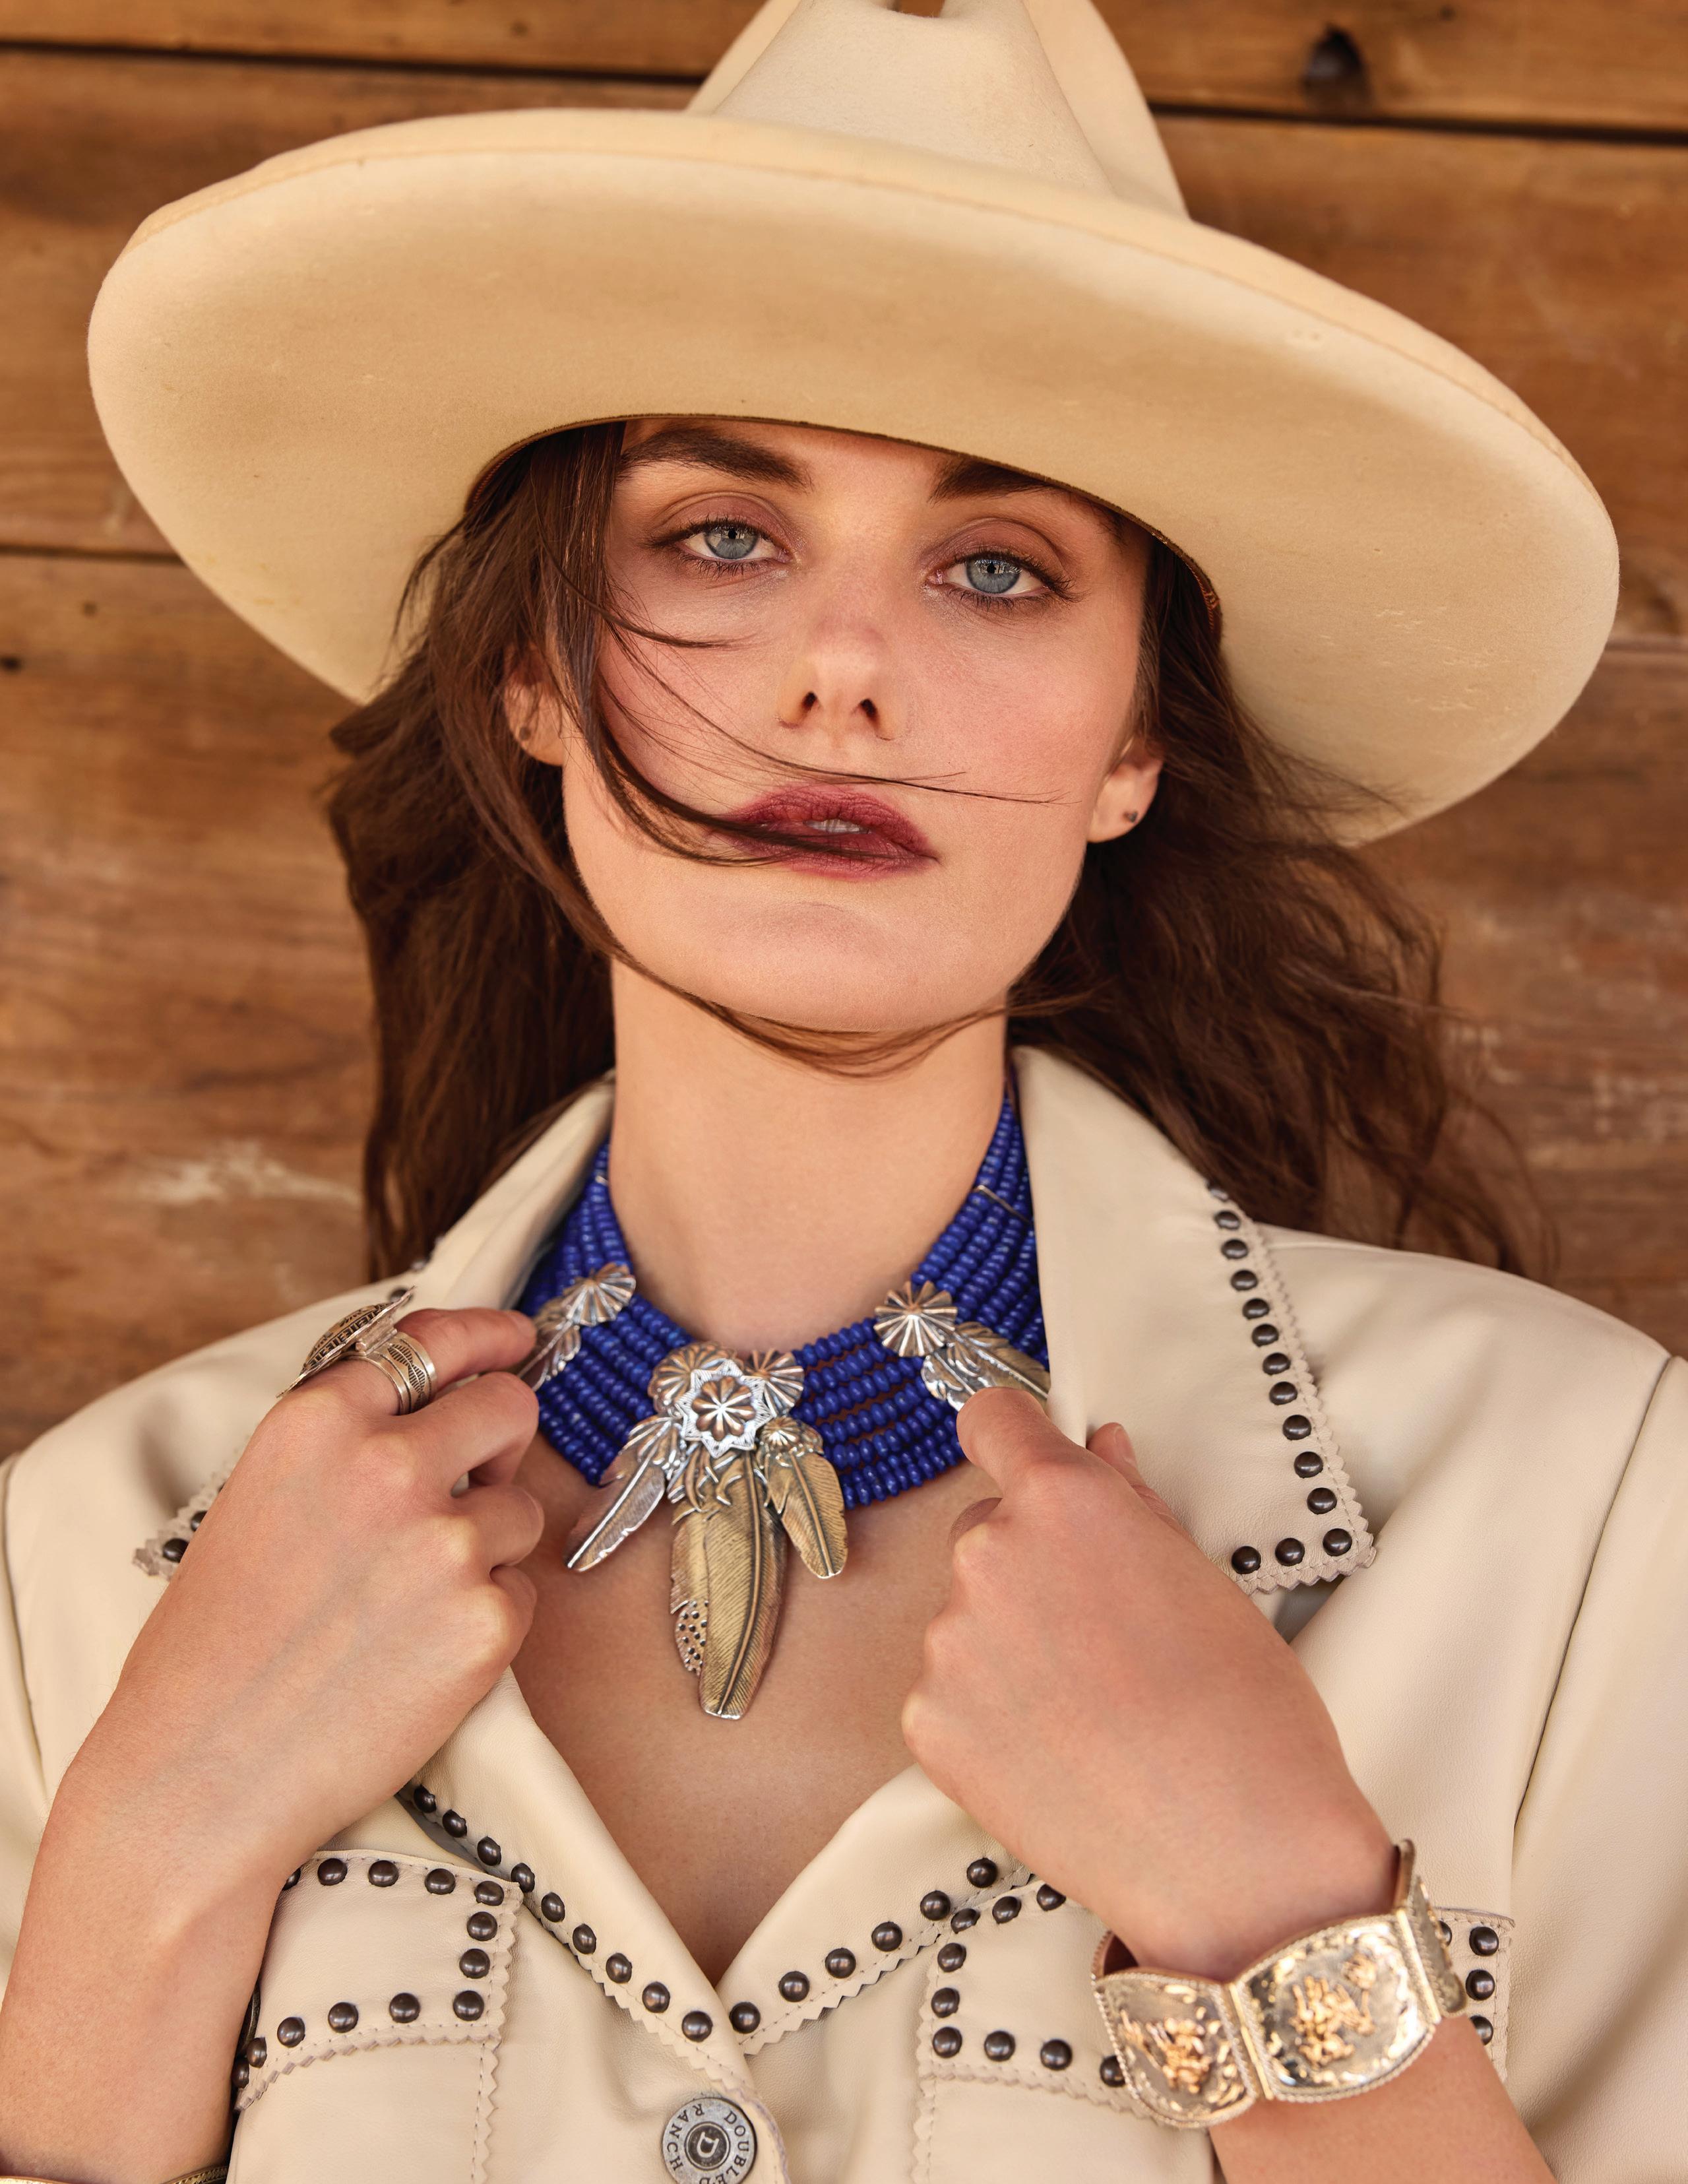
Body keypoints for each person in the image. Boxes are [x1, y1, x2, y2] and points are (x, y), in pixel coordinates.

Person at [1, 2, 1681, 2181]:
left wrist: (1275, 1928)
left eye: (996, 569)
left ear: (1135, 746)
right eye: (720, 538)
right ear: (528, 670)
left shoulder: (1584, 1514)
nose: (842, 670)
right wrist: (148, 1854)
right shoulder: (85, 1563)